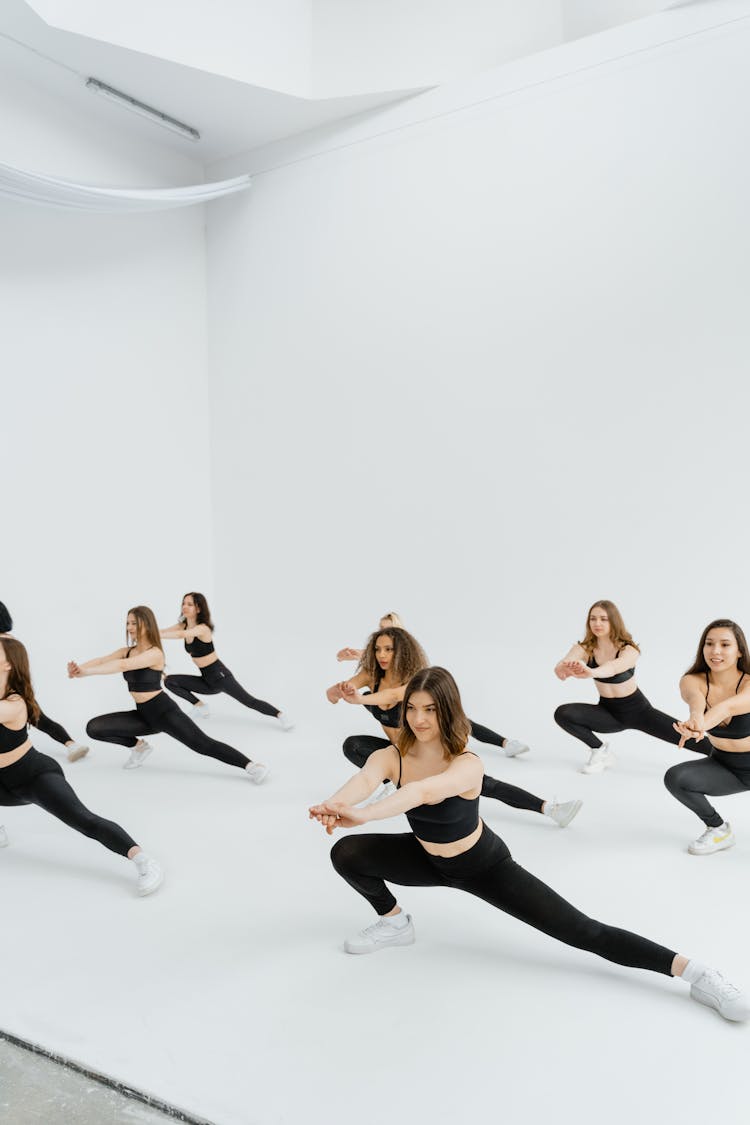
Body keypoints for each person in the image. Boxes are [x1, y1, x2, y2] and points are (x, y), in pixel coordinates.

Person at [309, 666, 748, 1022]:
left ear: (447, 711)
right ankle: (395, 923)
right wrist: (337, 802)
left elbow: (420, 794)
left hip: (483, 866)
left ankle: (698, 973)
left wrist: (363, 814)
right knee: (347, 854)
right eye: (412, 709)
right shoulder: (392, 755)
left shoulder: (467, 763)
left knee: (583, 931)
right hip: (426, 859)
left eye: (430, 709)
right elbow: (365, 779)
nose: (419, 719)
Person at [328, 627, 581, 828]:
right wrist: (339, 691)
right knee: (353, 745)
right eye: (378, 649)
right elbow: (335, 694)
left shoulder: (414, 683)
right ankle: (394, 782)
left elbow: (391, 697)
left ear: (401, 652)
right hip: (401, 756)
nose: (382, 655)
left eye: (389, 649)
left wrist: (359, 699)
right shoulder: (371, 677)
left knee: (486, 784)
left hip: (430, 752)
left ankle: (549, 808)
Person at [0, 635, 161, 894]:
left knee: (84, 820)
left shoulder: (15, 702)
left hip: (34, 776)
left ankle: (144, 860)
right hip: (3, 786)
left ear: (8, 664)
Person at [70, 605, 268, 782]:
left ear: (147, 625)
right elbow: (103, 660)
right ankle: (140, 747)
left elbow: (123, 665)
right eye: (128, 623)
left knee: (203, 745)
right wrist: (80, 669)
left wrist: (86, 673)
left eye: (135, 623)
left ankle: (252, 766)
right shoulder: (127, 650)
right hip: (144, 714)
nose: (130, 627)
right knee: (94, 728)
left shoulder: (155, 653)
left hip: (165, 713)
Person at [335, 617, 530, 757]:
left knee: (458, 720)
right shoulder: (379, 662)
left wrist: (359, 696)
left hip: (416, 705)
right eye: (381, 629)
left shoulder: (412, 664)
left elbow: (395, 688)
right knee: (373, 696)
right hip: (399, 730)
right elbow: (381, 661)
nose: (383, 634)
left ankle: (505, 742)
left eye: (390, 630)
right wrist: (358, 655)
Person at [554, 599, 701, 774]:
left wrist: (592, 672)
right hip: (608, 712)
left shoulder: (629, 649)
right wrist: (563, 668)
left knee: (687, 737)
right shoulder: (585, 648)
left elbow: (614, 667)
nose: (597, 623)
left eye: (603, 619)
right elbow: (562, 667)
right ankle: (600, 750)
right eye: (593, 619)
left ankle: (730, 759)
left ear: (614, 621)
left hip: (639, 711)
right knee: (563, 714)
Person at [667, 619, 750, 855]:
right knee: (676, 778)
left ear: (739, 651)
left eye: (725, 644)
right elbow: (696, 701)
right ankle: (718, 829)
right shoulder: (692, 680)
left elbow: (728, 708)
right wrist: (695, 721)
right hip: (726, 766)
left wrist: (701, 725)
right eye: (709, 643)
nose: (715, 651)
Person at [161, 592, 293, 730]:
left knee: (249, 701)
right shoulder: (183, 625)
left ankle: (281, 715)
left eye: (190, 604)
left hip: (220, 676)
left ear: (198, 609)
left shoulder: (203, 629)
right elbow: (163, 631)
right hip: (207, 681)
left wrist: (154, 634)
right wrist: (145, 633)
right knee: (169, 681)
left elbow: (180, 635)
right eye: (183, 603)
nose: (185, 607)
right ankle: (200, 706)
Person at [0, 599, 89, 763]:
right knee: (42, 721)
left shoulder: (5, 642)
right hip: (19, 692)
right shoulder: (11, 640)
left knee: (40, 721)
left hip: (10, 695)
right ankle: (71, 744)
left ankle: (72, 744)